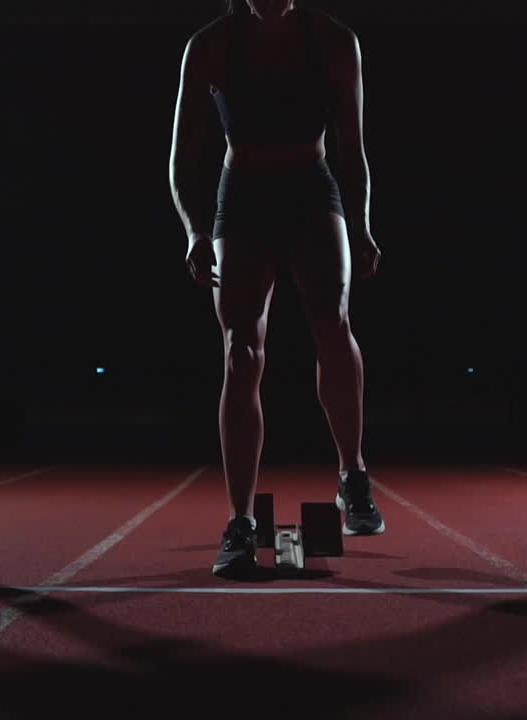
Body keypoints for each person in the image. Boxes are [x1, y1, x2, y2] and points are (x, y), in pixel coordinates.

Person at [169, 0, 384, 577]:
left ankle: (353, 475)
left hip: (311, 190)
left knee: (333, 321)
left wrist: (361, 225)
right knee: (241, 351)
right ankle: (240, 521)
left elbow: (353, 147)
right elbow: (182, 156)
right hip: (243, 196)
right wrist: (194, 231)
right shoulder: (210, 45)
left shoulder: (334, 40)